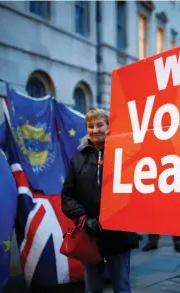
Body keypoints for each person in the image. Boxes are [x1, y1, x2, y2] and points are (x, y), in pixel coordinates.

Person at [61, 108, 139, 293]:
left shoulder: (123, 153)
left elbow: (134, 190)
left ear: (108, 127)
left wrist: (114, 216)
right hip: (90, 234)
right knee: (92, 288)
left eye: (99, 125)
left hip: (118, 233)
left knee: (121, 287)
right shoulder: (77, 159)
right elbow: (67, 196)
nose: (95, 130)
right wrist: (85, 219)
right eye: (90, 126)